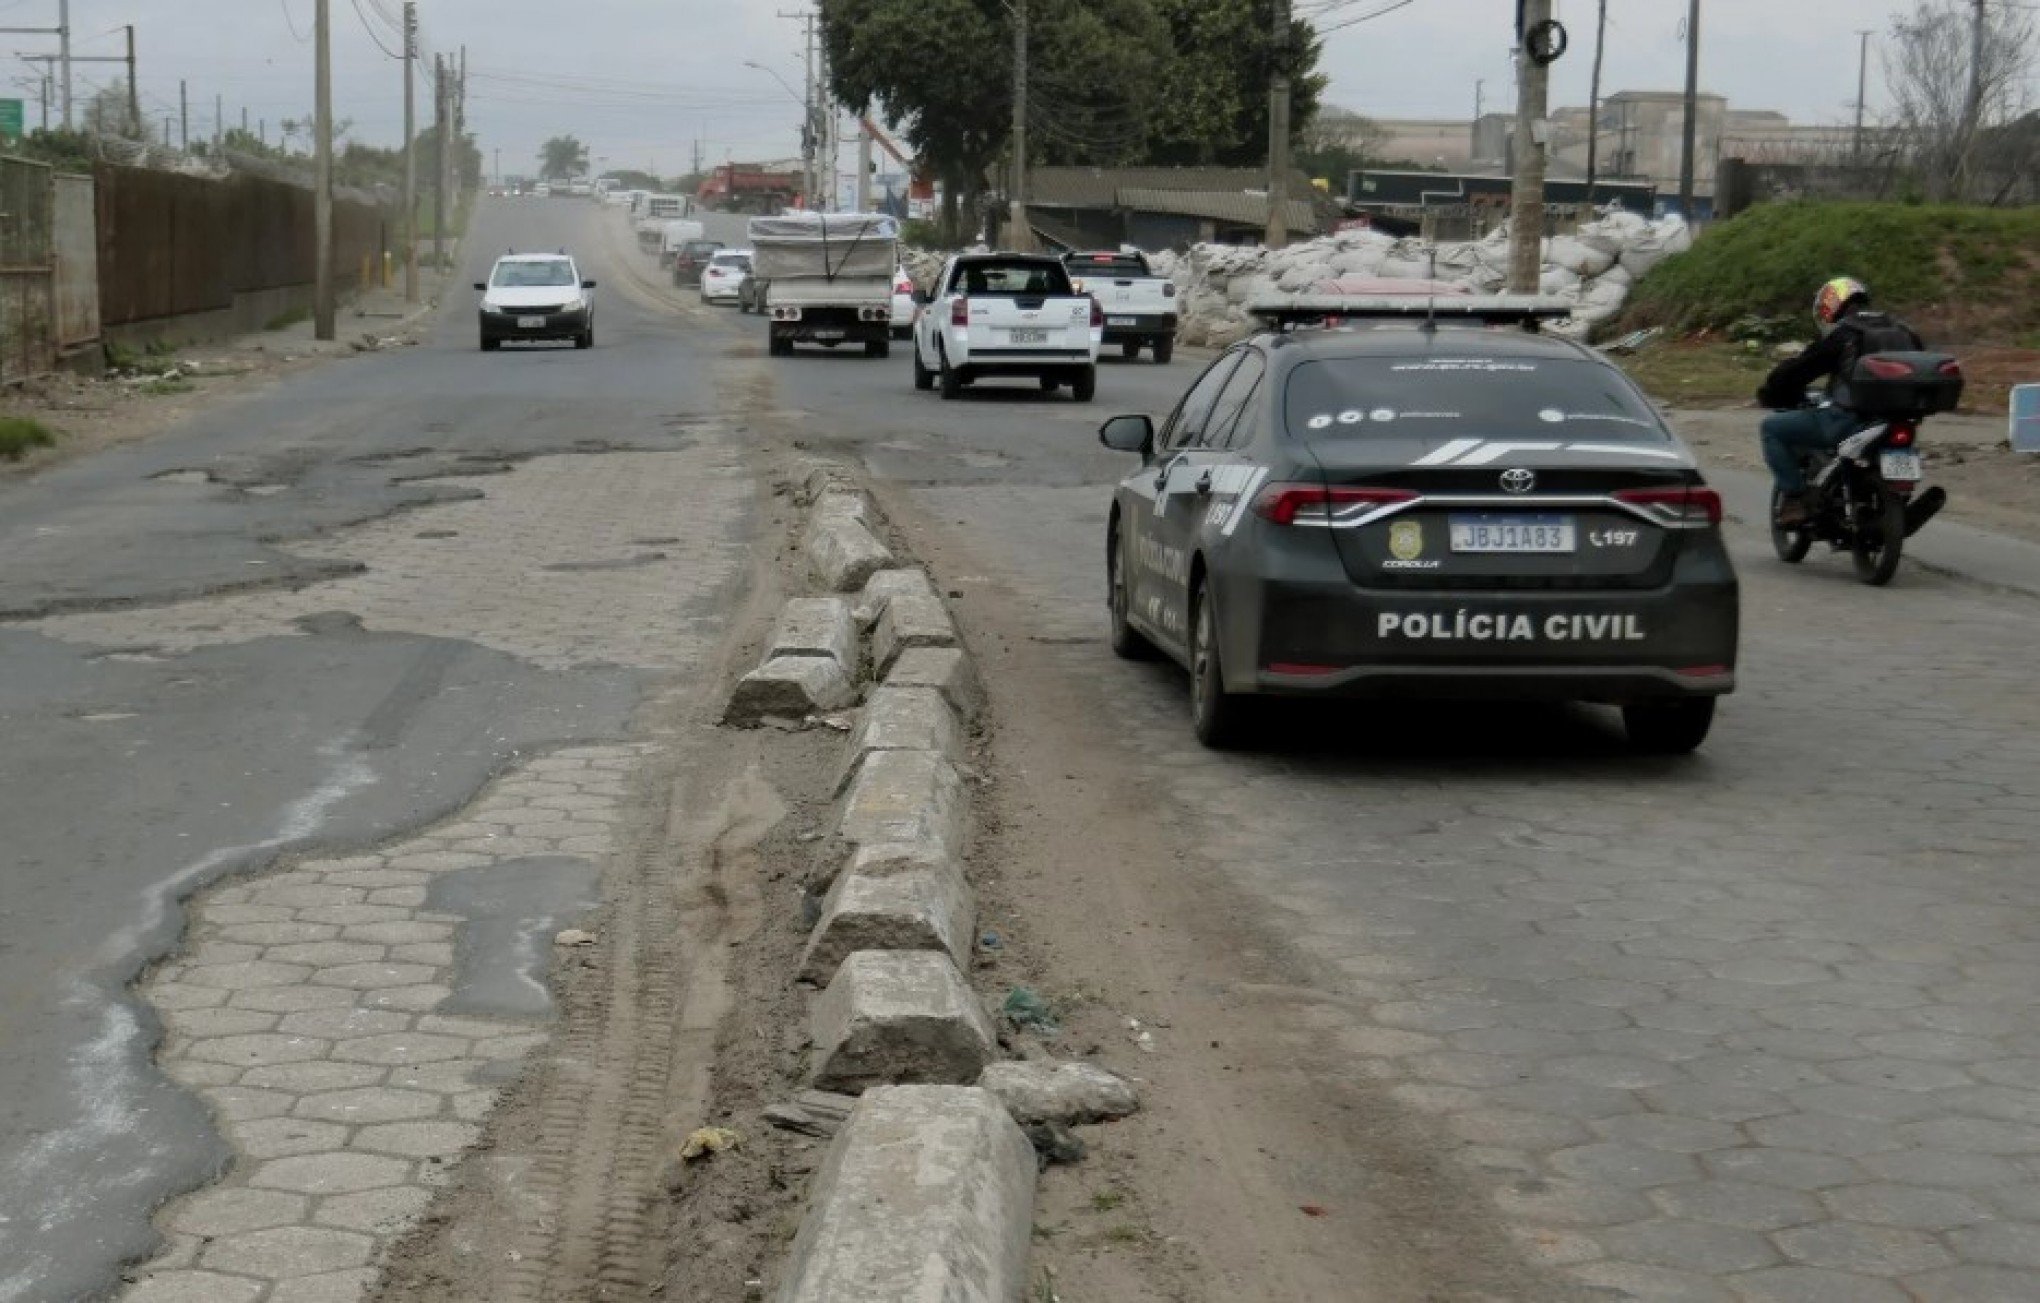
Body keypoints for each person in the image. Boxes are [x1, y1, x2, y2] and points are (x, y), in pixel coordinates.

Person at [1758, 277, 1923, 527]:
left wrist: (1773, 390)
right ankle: (1895, 501)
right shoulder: (1904, 330)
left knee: (1771, 428)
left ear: (1831, 306)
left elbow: (1801, 370)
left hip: (1848, 420)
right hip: (1899, 419)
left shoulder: (1845, 334)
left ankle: (1793, 498)